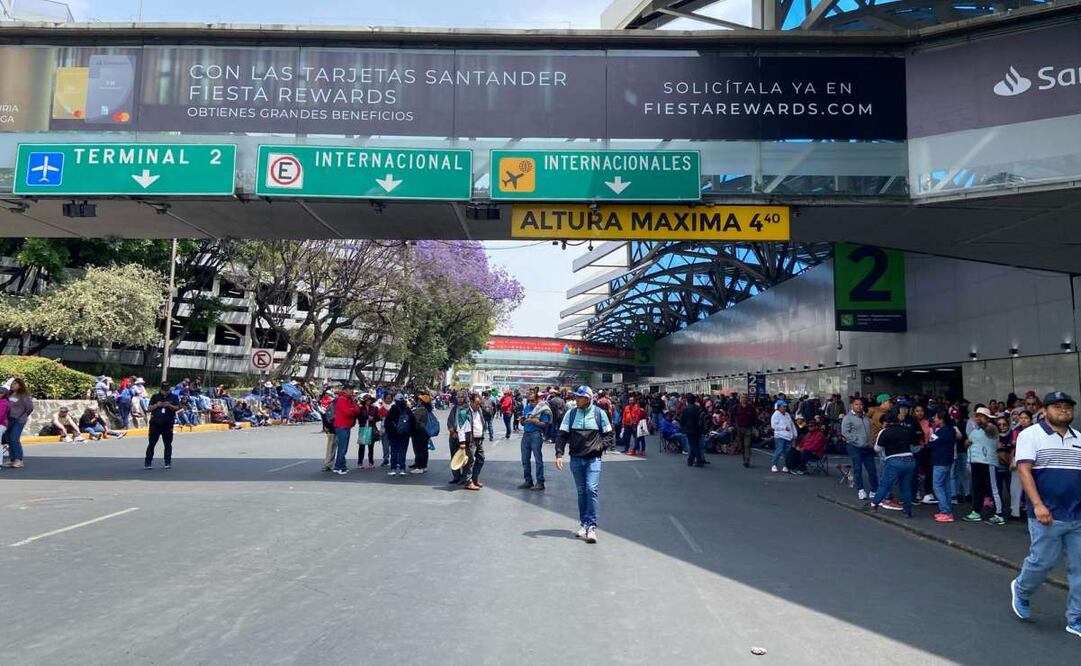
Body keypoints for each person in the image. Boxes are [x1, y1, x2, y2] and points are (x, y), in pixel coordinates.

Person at [1011, 391, 1081, 638]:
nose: (1064, 410)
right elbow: (1024, 472)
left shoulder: (1079, 439)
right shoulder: (1031, 435)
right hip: (1046, 514)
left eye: (1068, 407)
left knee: (1079, 569)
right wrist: (1038, 505)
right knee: (1042, 562)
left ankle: (1076, 619)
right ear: (1045, 410)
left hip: (1077, 516)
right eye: (1057, 406)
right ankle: (1022, 589)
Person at [555, 386, 614, 544]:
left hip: (593, 459)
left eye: (580, 397)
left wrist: (599, 447)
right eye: (576, 397)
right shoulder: (571, 413)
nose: (577, 400)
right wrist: (559, 454)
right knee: (581, 492)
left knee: (591, 489)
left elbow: (609, 434)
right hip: (576, 459)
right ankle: (584, 524)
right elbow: (562, 435)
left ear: (588, 399)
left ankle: (591, 527)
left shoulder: (599, 413)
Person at [868, 413, 917, 517]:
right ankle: (907, 510)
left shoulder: (884, 432)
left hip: (894, 460)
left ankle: (874, 504)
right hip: (910, 460)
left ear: (885, 423)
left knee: (885, 484)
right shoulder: (906, 430)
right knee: (906, 487)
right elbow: (913, 444)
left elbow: (877, 448)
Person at [964, 406, 1006, 525]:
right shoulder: (975, 430)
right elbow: (969, 442)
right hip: (975, 461)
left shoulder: (992, 428)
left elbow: (989, 430)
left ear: (987, 418)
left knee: (993, 488)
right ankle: (976, 511)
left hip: (988, 462)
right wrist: (967, 443)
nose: (978, 418)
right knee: (977, 488)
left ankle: (999, 513)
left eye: (981, 416)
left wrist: (983, 422)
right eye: (977, 416)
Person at [842, 397, 877, 501]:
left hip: (867, 447)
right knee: (857, 469)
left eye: (861, 404)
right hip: (855, 447)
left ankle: (874, 490)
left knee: (872, 469)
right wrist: (856, 440)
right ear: (852, 405)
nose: (859, 406)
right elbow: (845, 432)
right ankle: (860, 490)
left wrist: (871, 442)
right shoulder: (848, 418)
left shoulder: (866, 417)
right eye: (856, 404)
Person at [518, 391, 551, 491]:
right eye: (529, 400)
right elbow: (523, 422)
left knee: (538, 460)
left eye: (532, 400)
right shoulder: (527, 408)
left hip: (536, 435)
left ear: (537, 400)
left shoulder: (542, 409)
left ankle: (540, 482)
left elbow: (545, 424)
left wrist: (534, 421)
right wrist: (522, 421)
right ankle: (528, 480)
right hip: (526, 435)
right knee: (525, 459)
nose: (530, 402)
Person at [145, 381, 181, 470]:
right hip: (155, 424)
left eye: (167, 390)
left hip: (168, 424)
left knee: (168, 444)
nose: (166, 392)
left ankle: (167, 462)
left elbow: (177, 407)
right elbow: (148, 409)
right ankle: (148, 462)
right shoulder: (155, 396)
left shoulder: (174, 397)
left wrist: (169, 405)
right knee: (152, 443)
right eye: (164, 390)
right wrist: (157, 405)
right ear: (161, 389)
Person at [330, 384, 365, 476]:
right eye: (350, 389)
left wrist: (353, 408)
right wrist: (353, 409)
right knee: (342, 447)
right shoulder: (342, 399)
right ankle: (340, 466)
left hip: (346, 425)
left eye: (352, 389)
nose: (351, 391)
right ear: (344, 390)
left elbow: (357, 410)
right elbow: (347, 412)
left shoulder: (350, 399)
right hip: (341, 425)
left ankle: (339, 465)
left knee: (343, 447)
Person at [929, 412, 957, 522]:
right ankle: (947, 510)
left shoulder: (940, 432)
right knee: (946, 486)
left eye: (936, 417)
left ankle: (946, 511)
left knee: (938, 486)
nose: (934, 419)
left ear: (941, 419)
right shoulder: (951, 431)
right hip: (948, 460)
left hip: (939, 461)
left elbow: (931, 444)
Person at [455, 393, 486, 490]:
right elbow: (460, 428)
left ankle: (475, 478)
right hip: (470, 441)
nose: (478, 405)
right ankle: (468, 482)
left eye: (479, 403)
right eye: (476, 403)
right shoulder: (464, 412)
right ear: (471, 402)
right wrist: (462, 443)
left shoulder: (479, 410)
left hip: (479, 439)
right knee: (470, 461)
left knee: (481, 459)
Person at [384, 393, 415, 477]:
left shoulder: (393, 408)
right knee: (403, 451)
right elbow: (412, 421)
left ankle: (393, 469)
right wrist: (410, 432)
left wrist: (389, 432)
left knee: (394, 451)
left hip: (394, 434)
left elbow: (387, 421)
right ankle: (402, 469)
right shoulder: (407, 409)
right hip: (405, 434)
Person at [410, 390, 433, 475]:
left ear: (422, 401)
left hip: (419, 431)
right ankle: (423, 466)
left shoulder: (420, 410)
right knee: (424, 449)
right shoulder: (427, 409)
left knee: (419, 449)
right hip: (425, 431)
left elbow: (415, 421)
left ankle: (419, 467)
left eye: (419, 400)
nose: (418, 401)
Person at [732, 394, 758, 468]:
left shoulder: (751, 408)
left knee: (747, 445)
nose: (744, 399)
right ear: (740, 399)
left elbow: (755, 418)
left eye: (745, 398)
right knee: (742, 445)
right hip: (739, 428)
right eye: (742, 398)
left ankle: (747, 460)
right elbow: (732, 417)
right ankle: (744, 459)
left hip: (748, 428)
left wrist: (754, 427)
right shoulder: (736, 407)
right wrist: (733, 426)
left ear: (747, 399)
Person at [770, 399, 797, 473]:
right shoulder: (775, 415)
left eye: (785, 406)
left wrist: (795, 434)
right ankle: (774, 465)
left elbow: (792, 425)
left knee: (787, 452)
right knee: (779, 450)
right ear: (779, 407)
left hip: (788, 436)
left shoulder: (787, 414)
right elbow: (773, 426)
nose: (785, 408)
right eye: (783, 406)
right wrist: (784, 428)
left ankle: (786, 465)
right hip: (780, 436)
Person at [680, 393, 706, 467]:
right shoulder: (698, 408)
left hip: (689, 429)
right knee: (696, 444)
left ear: (687, 400)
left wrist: (683, 426)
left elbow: (682, 420)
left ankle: (699, 460)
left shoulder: (686, 409)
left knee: (693, 445)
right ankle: (690, 461)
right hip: (698, 428)